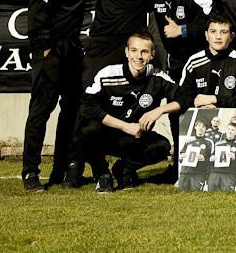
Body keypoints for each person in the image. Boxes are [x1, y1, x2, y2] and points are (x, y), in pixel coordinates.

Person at [22, 0, 103, 192]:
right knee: (41, 111)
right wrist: (43, 46)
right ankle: (30, 173)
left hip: (72, 48)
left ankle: (60, 170)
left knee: (71, 111)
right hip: (51, 48)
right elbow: (38, 5)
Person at [68, 29, 181, 192]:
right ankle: (102, 174)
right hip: (105, 135)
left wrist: (160, 110)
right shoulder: (108, 74)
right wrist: (124, 126)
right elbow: (88, 107)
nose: (139, 56)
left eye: (144, 52)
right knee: (87, 130)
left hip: (133, 138)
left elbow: (184, 97)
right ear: (127, 52)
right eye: (134, 50)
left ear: (152, 55)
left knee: (162, 146)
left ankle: (124, 169)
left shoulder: (158, 77)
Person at [207, 122, 236, 192]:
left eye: (232, 130)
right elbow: (210, 160)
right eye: (229, 129)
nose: (230, 131)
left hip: (229, 174)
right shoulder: (218, 144)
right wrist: (211, 159)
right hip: (215, 173)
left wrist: (235, 157)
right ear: (226, 130)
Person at [178, 119, 214, 191]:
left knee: (195, 195)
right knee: (181, 196)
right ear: (195, 127)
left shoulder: (209, 142)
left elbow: (212, 159)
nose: (200, 128)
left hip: (199, 173)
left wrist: (205, 158)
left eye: (203, 126)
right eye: (199, 126)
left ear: (206, 129)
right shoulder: (188, 141)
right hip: (185, 172)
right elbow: (181, 157)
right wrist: (181, 157)